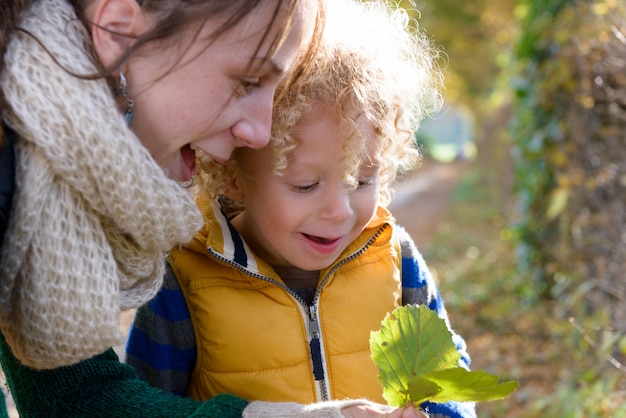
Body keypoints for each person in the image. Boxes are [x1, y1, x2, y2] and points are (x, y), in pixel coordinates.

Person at [0, 0, 422, 416]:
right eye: (247, 81)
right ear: (116, 30)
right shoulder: (24, 188)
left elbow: (78, 397)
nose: (260, 131)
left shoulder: (43, 196)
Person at [127, 1, 476, 417]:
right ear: (234, 172)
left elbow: (448, 372)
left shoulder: (395, 258)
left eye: (360, 181)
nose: (340, 211)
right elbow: (148, 406)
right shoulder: (185, 276)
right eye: (305, 185)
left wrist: (437, 413)